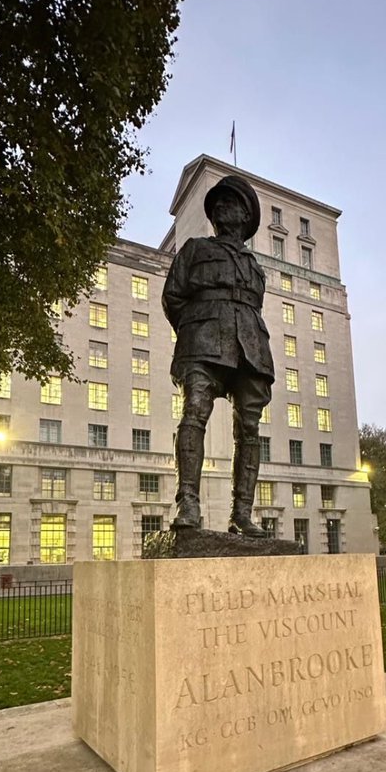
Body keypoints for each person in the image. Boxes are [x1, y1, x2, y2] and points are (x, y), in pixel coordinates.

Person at [162, 174, 275, 536]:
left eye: (231, 201)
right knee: (194, 410)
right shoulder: (194, 249)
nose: (221, 206)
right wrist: (197, 326)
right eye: (218, 203)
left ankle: (242, 513)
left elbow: (253, 307)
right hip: (203, 340)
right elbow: (173, 298)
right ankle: (188, 502)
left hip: (250, 348)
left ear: (246, 216)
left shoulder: (256, 267)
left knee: (250, 428)